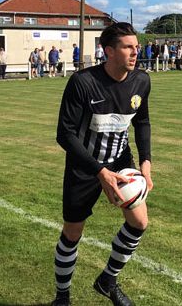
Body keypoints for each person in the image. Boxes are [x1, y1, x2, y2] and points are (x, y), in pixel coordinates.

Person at [52, 22, 152, 306]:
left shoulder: (141, 81)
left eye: (136, 46)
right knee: (73, 232)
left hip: (120, 161)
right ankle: (62, 296)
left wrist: (145, 161)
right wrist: (99, 171)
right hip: (85, 166)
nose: (136, 51)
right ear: (109, 51)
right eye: (128, 47)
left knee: (139, 222)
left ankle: (107, 279)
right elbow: (65, 133)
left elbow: (142, 121)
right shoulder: (83, 82)